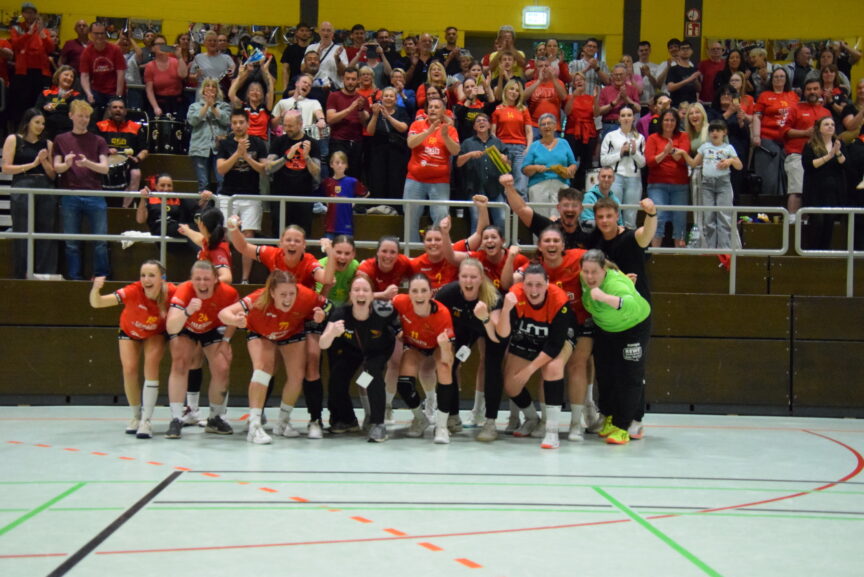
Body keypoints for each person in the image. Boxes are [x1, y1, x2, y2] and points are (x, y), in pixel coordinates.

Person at [229, 222, 333, 432]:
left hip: (303, 314)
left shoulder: (309, 262)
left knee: (309, 366)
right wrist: (233, 229)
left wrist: (330, 253)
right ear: (281, 243)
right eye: (288, 240)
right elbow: (243, 247)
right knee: (267, 366)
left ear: (304, 245)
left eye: (297, 240)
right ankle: (257, 416)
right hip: (275, 313)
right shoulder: (271, 254)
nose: (292, 243)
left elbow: (327, 279)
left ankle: (311, 420)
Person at [219, 269, 328, 444]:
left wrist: (322, 315)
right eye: (283, 294)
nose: (288, 299)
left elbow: (328, 305)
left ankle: (283, 422)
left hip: (291, 331)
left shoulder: (306, 295)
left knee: (297, 376)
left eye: (291, 293)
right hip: (261, 333)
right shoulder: (258, 298)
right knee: (263, 369)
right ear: (272, 293)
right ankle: (254, 426)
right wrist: (235, 320)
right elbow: (224, 313)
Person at [89, 260, 174, 439]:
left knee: (151, 366)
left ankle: (146, 421)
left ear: (162, 278)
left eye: (151, 275)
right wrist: (95, 289)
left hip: (155, 333)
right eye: (143, 275)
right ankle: (136, 416)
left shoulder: (171, 292)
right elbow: (97, 303)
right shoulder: (132, 291)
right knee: (129, 370)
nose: (146, 279)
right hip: (130, 331)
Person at [497, 263, 573, 449]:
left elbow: (555, 345)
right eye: (529, 285)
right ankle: (532, 418)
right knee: (511, 384)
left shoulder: (559, 299)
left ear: (547, 283)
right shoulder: (515, 296)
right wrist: (506, 309)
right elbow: (503, 334)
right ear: (523, 284)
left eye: (538, 285)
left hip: (556, 340)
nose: (533, 290)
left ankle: (552, 431)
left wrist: (530, 369)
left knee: (552, 368)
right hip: (527, 338)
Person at [580, 249, 651, 445]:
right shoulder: (583, 278)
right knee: (605, 373)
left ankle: (623, 425)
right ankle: (609, 416)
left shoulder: (615, 284)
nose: (590, 277)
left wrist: (604, 297)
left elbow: (632, 305)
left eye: (594, 272)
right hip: (606, 327)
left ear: (604, 269)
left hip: (633, 326)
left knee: (629, 375)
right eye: (586, 272)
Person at [320, 275, 400, 442]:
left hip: (379, 350)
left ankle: (378, 423)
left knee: (371, 373)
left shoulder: (384, 310)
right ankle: (348, 419)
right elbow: (323, 344)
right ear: (350, 295)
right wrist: (332, 333)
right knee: (337, 376)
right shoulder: (341, 313)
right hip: (354, 349)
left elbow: (401, 329)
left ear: (372, 295)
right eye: (356, 290)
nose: (361, 294)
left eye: (365, 290)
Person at [165, 260, 239, 439]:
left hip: (212, 328)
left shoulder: (228, 293)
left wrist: (226, 341)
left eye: (206, 279)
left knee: (222, 366)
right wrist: (187, 311)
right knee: (180, 362)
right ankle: (176, 418)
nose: (202, 283)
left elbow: (234, 318)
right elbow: (171, 327)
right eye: (197, 279)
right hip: (185, 326)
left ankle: (215, 418)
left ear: (215, 280)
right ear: (191, 280)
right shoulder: (183, 291)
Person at [434, 258, 505, 441]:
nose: (468, 281)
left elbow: (495, 336)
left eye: (473, 277)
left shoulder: (493, 297)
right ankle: (452, 416)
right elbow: (434, 318)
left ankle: (490, 422)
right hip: (462, 328)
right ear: (458, 277)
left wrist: (485, 317)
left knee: (492, 367)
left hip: (488, 329)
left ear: (481, 278)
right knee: (448, 363)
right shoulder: (447, 293)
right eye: (464, 276)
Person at [392, 274, 456, 444]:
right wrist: (396, 330)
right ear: (409, 293)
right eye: (415, 291)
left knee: (445, 367)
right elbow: (384, 315)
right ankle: (420, 419)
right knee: (404, 385)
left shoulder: (442, 314)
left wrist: (444, 347)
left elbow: (448, 359)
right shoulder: (399, 301)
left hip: (437, 346)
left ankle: (441, 426)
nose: (419, 295)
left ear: (430, 293)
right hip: (414, 346)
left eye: (423, 291)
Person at [52, 99, 109, 279]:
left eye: (87, 116)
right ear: (71, 116)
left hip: (94, 193)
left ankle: (101, 275)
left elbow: (105, 168)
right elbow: (57, 167)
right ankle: (74, 277)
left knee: (100, 240)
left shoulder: (99, 140)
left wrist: (87, 163)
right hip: (70, 194)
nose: (84, 120)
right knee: (71, 242)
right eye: (80, 116)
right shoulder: (60, 139)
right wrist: (67, 164)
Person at [2, 108, 57, 279]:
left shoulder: (47, 143)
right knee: (22, 229)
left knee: (46, 230)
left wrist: (44, 161)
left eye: (43, 123)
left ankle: (44, 274)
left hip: (45, 186)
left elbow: (53, 174)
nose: (41, 126)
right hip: (22, 184)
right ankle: (22, 273)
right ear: (27, 122)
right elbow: (6, 168)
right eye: (37, 122)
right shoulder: (13, 139)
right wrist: (33, 164)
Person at [216, 109, 267, 284]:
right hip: (228, 195)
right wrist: (237, 154)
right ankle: (224, 276)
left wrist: (246, 157)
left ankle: (245, 279)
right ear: (231, 124)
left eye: (241, 122)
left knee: (248, 235)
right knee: (224, 235)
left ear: (248, 123)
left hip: (251, 195)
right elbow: (221, 169)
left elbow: (263, 169)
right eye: (234, 123)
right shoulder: (225, 144)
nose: (238, 126)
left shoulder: (258, 143)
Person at [404, 97, 460, 242]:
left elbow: (455, 151)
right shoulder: (417, 125)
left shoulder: (450, 129)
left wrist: (445, 137)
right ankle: (413, 249)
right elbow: (411, 143)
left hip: (439, 181)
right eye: (430, 107)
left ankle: (435, 246)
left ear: (443, 111)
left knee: (441, 216)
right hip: (415, 179)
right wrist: (428, 132)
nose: (433, 109)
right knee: (410, 216)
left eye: (436, 107)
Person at [684, 119, 742, 248]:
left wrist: (730, 161)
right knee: (708, 217)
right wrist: (683, 154)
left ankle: (725, 249)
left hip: (723, 183)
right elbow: (693, 163)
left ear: (724, 132)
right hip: (707, 185)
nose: (715, 133)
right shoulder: (705, 147)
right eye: (712, 130)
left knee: (724, 217)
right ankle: (711, 248)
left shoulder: (728, 148)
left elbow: (739, 166)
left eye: (718, 130)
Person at [266, 110, 321, 237]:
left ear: (300, 124)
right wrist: (286, 157)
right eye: (285, 125)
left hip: (303, 197)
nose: (287, 129)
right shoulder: (279, 142)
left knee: (302, 236)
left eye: (290, 126)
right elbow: (268, 168)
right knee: (279, 235)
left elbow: (317, 175)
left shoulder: (312, 144)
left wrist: (307, 157)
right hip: (280, 196)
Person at [783, 79, 831, 222]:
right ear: (804, 92)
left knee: (816, 190)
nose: (812, 92)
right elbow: (784, 131)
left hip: (821, 157)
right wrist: (805, 133)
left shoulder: (826, 112)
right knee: (797, 190)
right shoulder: (795, 109)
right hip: (797, 154)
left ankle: (810, 222)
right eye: (809, 89)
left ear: (821, 91)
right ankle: (792, 222)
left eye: (815, 89)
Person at [502, 173, 591, 249]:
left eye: (574, 206)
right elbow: (521, 209)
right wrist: (509, 187)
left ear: (581, 209)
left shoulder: (589, 232)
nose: (570, 209)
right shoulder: (548, 227)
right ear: (558, 207)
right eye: (566, 205)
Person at [645, 109, 690, 247]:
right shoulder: (653, 138)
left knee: (680, 219)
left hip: (680, 185)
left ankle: (679, 254)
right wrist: (666, 153)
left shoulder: (683, 136)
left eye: (672, 120)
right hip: (657, 185)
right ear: (661, 122)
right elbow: (650, 162)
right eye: (666, 120)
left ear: (676, 122)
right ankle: (655, 254)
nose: (669, 123)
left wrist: (669, 152)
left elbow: (683, 159)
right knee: (659, 217)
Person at [752, 67, 799, 196]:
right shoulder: (764, 96)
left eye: (782, 76)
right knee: (769, 177)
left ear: (786, 79)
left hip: (788, 139)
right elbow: (757, 116)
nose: (779, 79)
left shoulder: (793, 96)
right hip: (768, 137)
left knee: (788, 176)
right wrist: (756, 135)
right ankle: (768, 205)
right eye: (776, 77)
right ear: (771, 80)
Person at [457, 113, 509, 229]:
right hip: (475, 188)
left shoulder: (498, 142)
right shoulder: (467, 143)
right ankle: (476, 242)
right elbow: (458, 163)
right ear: (474, 127)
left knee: (502, 219)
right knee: (476, 220)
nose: (481, 122)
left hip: (495, 187)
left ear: (489, 125)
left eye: (484, 120)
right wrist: (469, 155)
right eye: (478, 121)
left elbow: (509, 164)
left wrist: (505, 159)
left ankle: (501, 241)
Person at [802, 116, 847, 250]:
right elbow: (809, 165)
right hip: (815, 190)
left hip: (833, 191)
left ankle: (825, 253)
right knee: (818, 222)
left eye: (832, 124)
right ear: (819, 128)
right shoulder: (810, 145)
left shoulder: (839, 144)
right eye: (826, 124)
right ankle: (812, 252)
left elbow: (845, 164)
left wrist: (837, 152)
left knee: (829, 223)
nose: (830, 126)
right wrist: (829, 156)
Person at [522, 113, 577, 218]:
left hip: (561, 184)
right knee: (540, 219)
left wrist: (570, 169)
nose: (546, 126)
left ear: (555, 127)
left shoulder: (564, 143)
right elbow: (525, 169)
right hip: (538, 184)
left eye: (549, 123)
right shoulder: (534, 146)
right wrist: (535, 168)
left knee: (560, 219)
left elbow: (573, 163)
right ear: (539, 129)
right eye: (543, 124)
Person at [96, 97, 148, 207]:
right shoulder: (100, 126)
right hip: (105, 162)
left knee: (136, 173)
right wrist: (106, 150)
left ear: (125, 111)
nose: (118, 110)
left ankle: (124, 207)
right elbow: (93, 147)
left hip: (128, 163)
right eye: (114, 107)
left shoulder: (136, 127)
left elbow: (144, 150)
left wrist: (137, 158)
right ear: (109, 110)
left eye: (121, 108)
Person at [600, 104, 645, 228]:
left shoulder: (640, 138)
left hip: (634, 179)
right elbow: (603, 161)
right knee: (614, 214)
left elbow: (642, 163)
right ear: (619, 118)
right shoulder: (610, 136)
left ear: (633, 118)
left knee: (631, 215)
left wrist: (634, 153)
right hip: (615, 178)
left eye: (629, 115)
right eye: (623, 115)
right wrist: (620, 154)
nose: (626, 118)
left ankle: (628, 239)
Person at [365, 86, 409, 211]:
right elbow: (370, 131)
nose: (388, 98)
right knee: (378, 179)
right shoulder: (375, 111)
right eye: (386, 96)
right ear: (381, 98)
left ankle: (395, 209)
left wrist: (388, 116)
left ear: (396, 99)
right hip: (378, 151)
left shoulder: (401, 111)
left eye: (391, 96)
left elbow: (403, 128)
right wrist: (375, 115)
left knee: (395, 180)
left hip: (397, 152)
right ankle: (378, 208)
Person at [9, 2, 54, 125]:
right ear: (23, 14)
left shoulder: (44, 30)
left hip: (41, 72)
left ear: (36, 14)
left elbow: (50, 48)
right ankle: (20, 128)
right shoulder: (17, 28)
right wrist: (28, 33)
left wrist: (42, 34)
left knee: (39, 102)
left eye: (32, 12)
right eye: (27, 12)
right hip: (23, 72)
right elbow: (15, 45)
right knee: (21, 103)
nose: (29, 15)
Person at [188, 78, 232, 194]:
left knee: (222, 181)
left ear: (217, 90)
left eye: (213, 86)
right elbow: (193, 121)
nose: (210, 88)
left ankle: (221, 205)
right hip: (200, 148)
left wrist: (213, 106)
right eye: (207, 86)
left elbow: (227, 121)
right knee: (203, 183)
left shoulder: (224, 106)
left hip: (220, 148)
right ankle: (204, 206)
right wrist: (206, 106)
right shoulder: (194, 106)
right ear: (203, 89)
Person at [136, 173, 211, 239]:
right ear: (155, 186)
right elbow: (140, 220)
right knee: (191, 229)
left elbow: (196, 208)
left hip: (179, 231)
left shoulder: (179, 199)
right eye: (162, 185)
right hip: (160, 231)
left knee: (199, 227)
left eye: (169, 186)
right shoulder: (149, 199)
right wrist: (143, 199)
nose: (166, 189)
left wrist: (205, 198)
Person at [326, 67, 370, 179]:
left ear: (358, 80)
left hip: (357, 143)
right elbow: (330, 119)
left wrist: (360, 110)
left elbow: (365, 124)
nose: (350, 82)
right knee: (337, 176)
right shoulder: (334, 96)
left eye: (353, 79)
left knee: (355, 177)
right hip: (338, 142)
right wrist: (350, 109)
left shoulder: (362, 99)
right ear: (343, 79)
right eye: (348, 79)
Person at [491, 79, 532, 198]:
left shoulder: (523, 109)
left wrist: (528, 148)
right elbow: (493, 132)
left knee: (521, 183)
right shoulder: (497, 109)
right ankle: (504, 209)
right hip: (503, 149)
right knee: (503, 183)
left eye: (517, 90)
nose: (514, 92)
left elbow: (529, 131)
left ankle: (520, 209)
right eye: (511, 89)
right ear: (506, 90)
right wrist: (498, 150)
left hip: (520, 149)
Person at [79, 22, 126, 117]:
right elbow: (84, 75)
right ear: (91, 34)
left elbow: (120, 73)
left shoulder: (115, 50)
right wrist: (88, 94)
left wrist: (118, 95)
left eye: (102, 33)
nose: (100, 36)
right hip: (96, 90)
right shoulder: (87, 52)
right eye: (96, 34)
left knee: (113, 116)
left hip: (114, 90)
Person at [563, 72, 599, 191]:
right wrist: (573, 97)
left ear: (585, 82)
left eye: (581, 79)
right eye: (576, 80)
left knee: (587, 161)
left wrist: (596, 99)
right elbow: (567, 112)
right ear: (573, 84)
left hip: (589, 131)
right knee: (571, 159)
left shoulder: (590, 98)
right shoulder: (570, 97)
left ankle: (583, 186)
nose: (579, 81)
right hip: (573, 131)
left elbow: (596, 113)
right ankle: (571, 186)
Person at [321, 150, 368, 238]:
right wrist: (326, 203)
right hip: (330, 227)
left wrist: (354, 203)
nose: (340, 165)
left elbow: (366, 193)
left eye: (343, 163)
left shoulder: (352, 181)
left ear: (346, 165)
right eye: (337, 162)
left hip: (346, 226)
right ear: (331, 164)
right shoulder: (327, 182)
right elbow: (319, 195)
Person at [144, 35, 188, 119]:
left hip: (177, 103)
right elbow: (149, 90)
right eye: (158, 44)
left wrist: (179, 57)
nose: (161, 47)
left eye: (163, 44)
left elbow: (183, 75)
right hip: (160, 102)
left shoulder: (175, 62)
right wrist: (156, 107)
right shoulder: (150, 66)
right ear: (153, 48)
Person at [35, 65, 85, 140]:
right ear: (58, 76)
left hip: (69, 131)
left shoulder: (76, 95)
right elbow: (36, 111)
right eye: (66, 75)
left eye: (72, 77)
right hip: (48, 130)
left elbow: (79, 114)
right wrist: (45, 108)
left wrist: (66, 99)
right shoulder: (46, 93)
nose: (69, 78)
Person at [523, 58, 568, 137]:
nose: (544, 68)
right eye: (540, 66)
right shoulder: (529, 84)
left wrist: (553, 78)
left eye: (546, 66)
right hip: (534, 126)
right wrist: (539, 81)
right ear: (536, 69)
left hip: (553, 126)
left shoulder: (559, 83)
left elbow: (564, 97)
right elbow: (523, 98)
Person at [598, 64, 641, 142]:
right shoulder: (605, 90)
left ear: (626, 76)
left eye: (621, 75)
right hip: (610, 125)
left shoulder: (632, 89)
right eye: (616, 75)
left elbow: (638, 109)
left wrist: (626, 98)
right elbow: (599, 111)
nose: (618, 77)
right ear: (612, 76)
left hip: (627, 125)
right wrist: (614, 102)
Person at [306, 21, 348, 90]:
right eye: (323, 30)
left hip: (334, 88)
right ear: (319, 32)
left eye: (328, 30)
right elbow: (304, 69)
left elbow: (343, 73)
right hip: (315, 87)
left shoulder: (340, 50)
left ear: (332, 33)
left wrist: (337, 58)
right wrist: (317, 56)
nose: (326, 33)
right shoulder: (311, 48)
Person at [280, 22, 313, 93]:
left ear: (310, 33)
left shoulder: (313, 49)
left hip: (309, 84)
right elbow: (285, 69)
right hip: (293, 83)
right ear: (296, 33)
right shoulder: (290, 49)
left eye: (306, 31)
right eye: (302, 30)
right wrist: (285, 88)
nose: (304, 33)